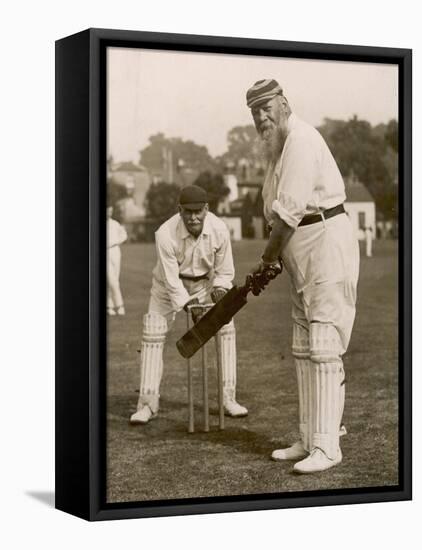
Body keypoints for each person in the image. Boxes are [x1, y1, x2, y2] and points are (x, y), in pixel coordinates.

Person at [246, 79, 359, 473]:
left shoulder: (301, 140)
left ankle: (328, 448)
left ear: (284, 103)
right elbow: (276, 212)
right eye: (255, 111)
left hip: (325, 243)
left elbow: (289, 213)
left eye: (267, 107)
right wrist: (276, 258)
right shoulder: (277, 149)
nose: (261, 116)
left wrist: (266, 260)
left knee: (324, 344)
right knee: (301, 344)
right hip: (300, 253)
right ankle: (310, 437)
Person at [130, 185, 248, 424]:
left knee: (226, 328)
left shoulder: (219, 229)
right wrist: (188, 304)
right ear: (179, 210)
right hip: (167, 288)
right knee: (153, 330)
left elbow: (225, 271)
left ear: (207, 209)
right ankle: (147, 404)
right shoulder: (165, 233)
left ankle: (228, 399)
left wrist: (220, 288)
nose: (193, 218)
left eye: (198, 212)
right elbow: (172, 281)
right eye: (188, 212)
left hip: (205, 285)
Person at [107, 204, 128, 316]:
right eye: (107, 210)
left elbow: (124, 235)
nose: (109, 213)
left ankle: (109, 306)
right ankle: (120, 306)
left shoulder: (115, 224)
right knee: (112, 281)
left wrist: (117, 241)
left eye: (110, 211)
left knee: (115, 279)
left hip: (115, 251)